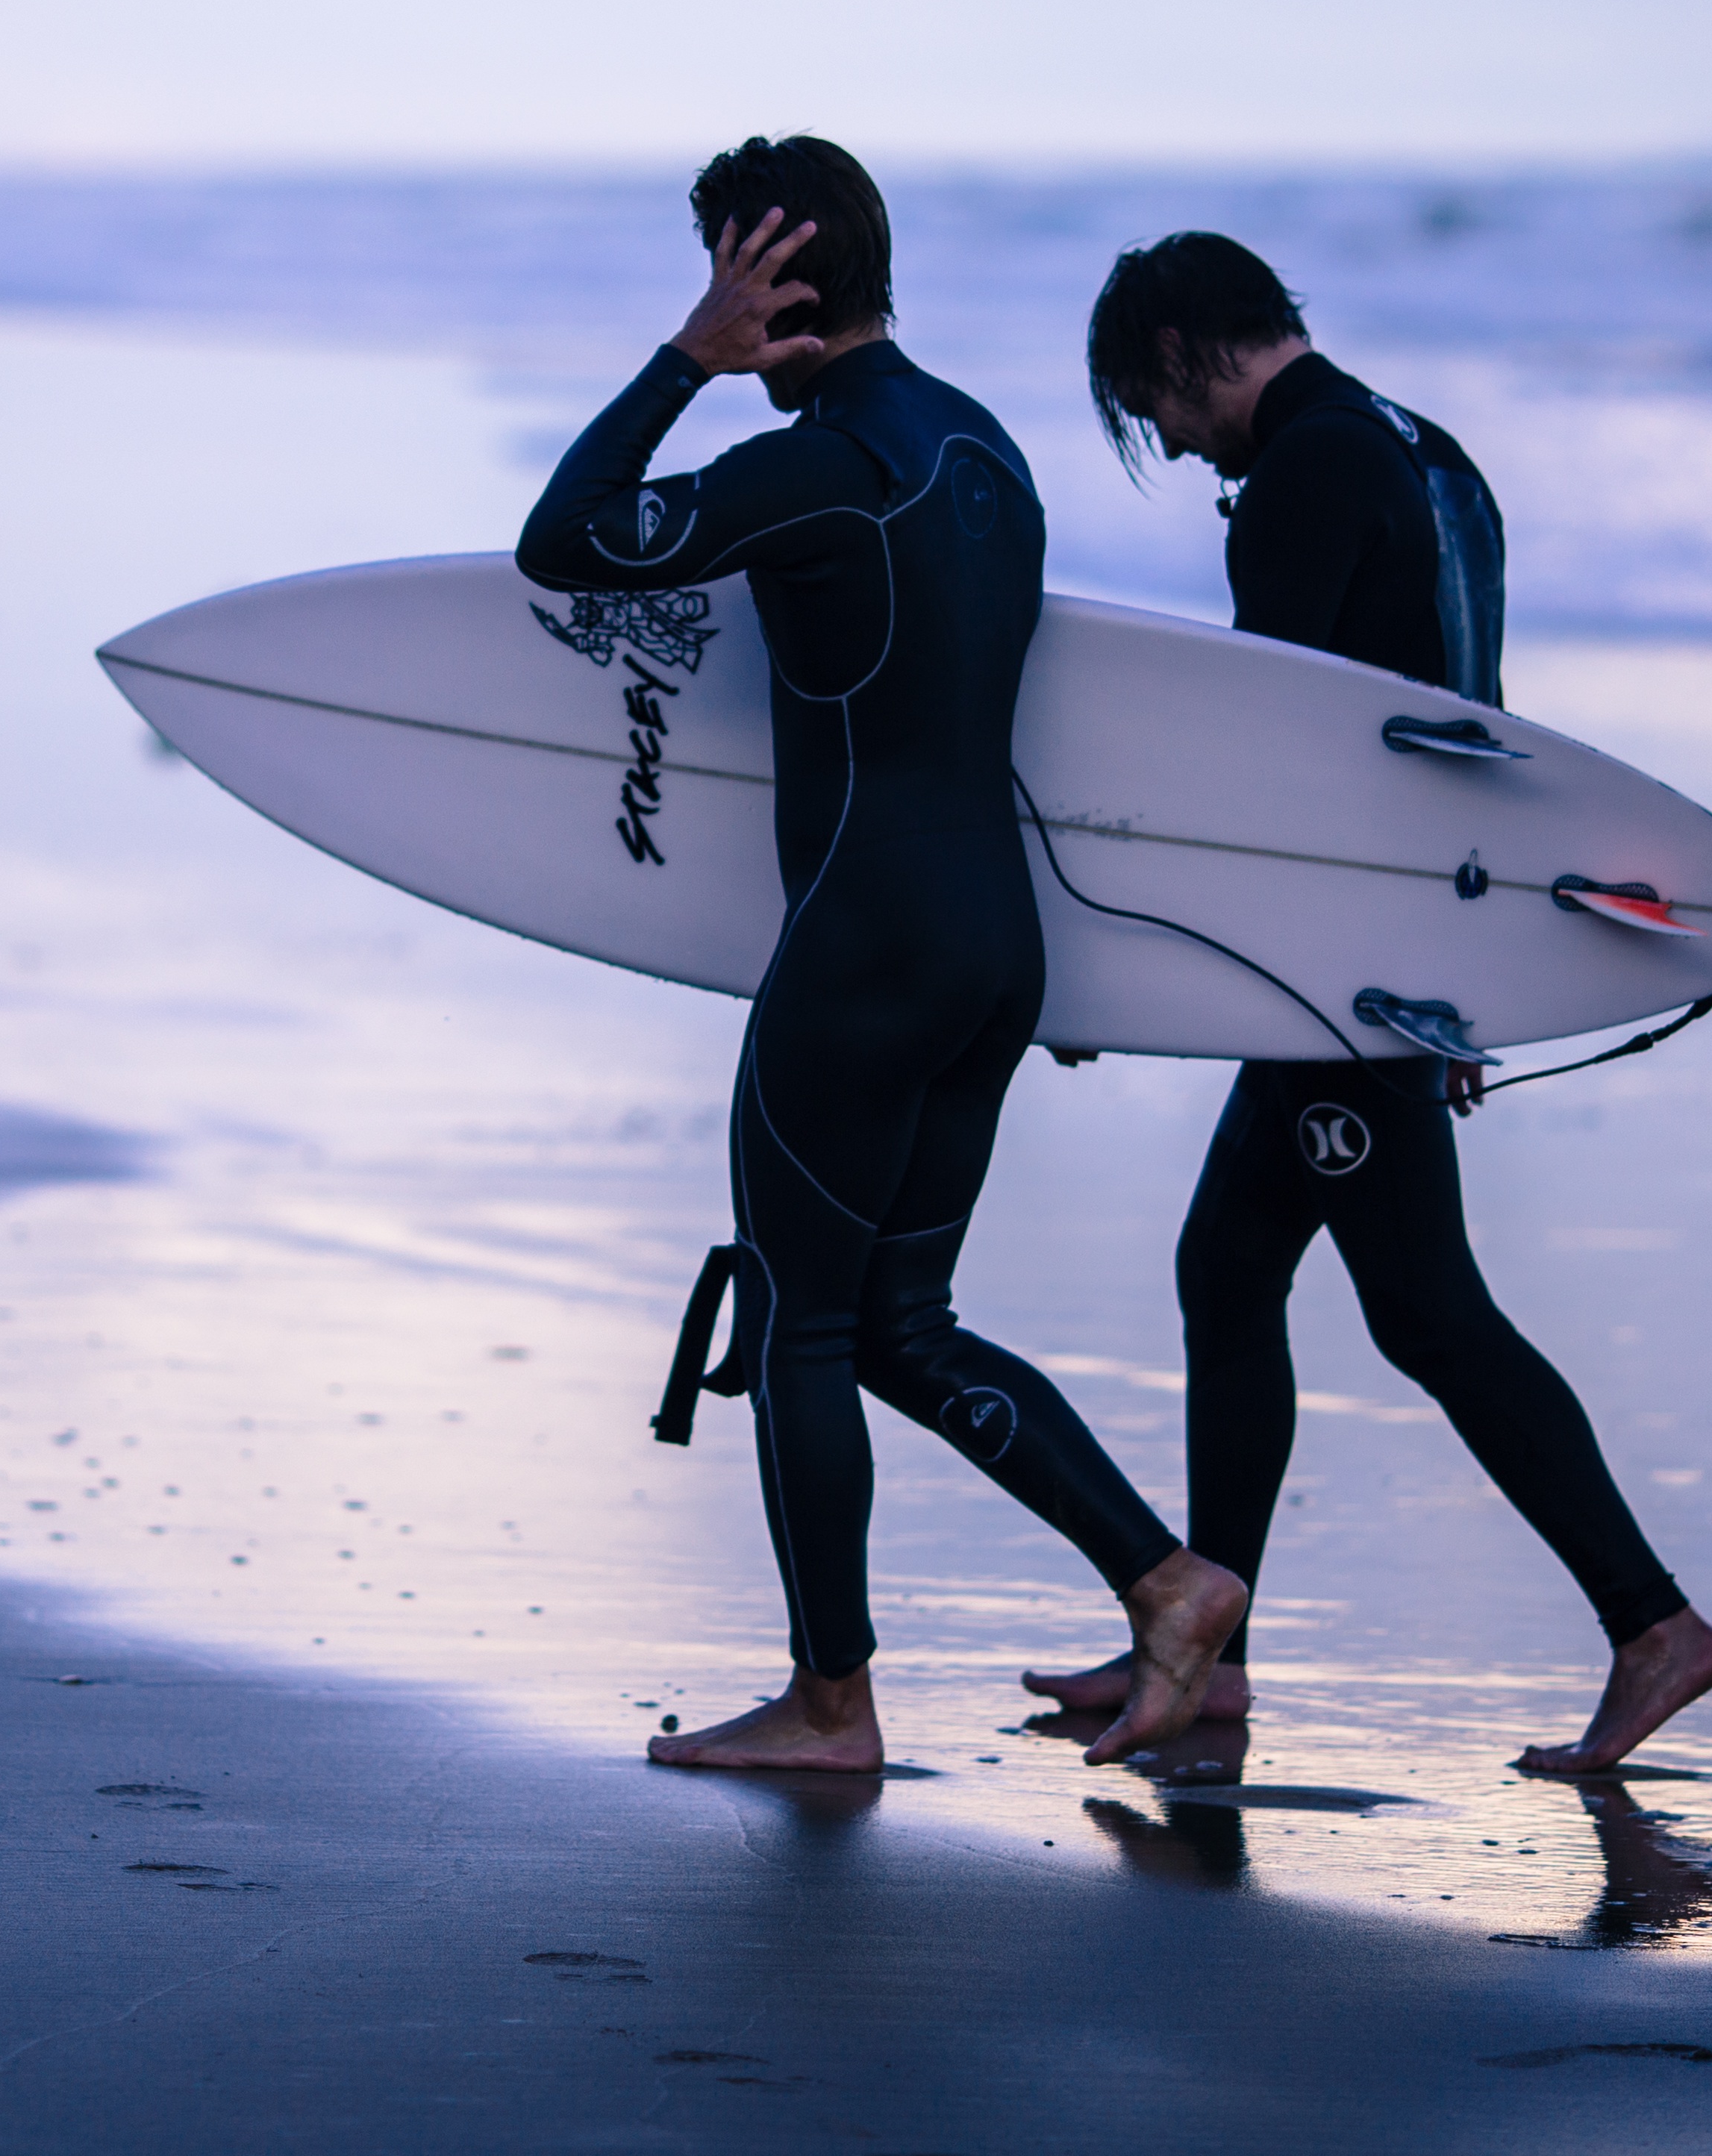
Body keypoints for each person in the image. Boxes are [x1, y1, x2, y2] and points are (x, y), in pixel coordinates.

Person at [518, 137, 1247, 1774]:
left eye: (721, 271)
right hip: (995, 944)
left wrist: (680, 365)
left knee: (802, 1322)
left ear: (760, 275)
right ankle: (1167, 1576)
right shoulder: (982, 452)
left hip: (860, 944)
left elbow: (562, 544)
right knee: (905, 1324)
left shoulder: (825, 462)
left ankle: (829, 1703)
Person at [1022, 231, 1712, 1777]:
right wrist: (1463, 975)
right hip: (1397, 955)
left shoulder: (1301, 478)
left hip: (1334, 974)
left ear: (1176, 351)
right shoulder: (1425, 454)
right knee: (1226, 1269)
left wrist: (1110, 968)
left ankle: (1649, 1620)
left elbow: (1263, 766)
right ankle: (1201, 1649)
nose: (1164, 444)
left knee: (1423, 1309)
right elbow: (1467, 721)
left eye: (1147, 410)